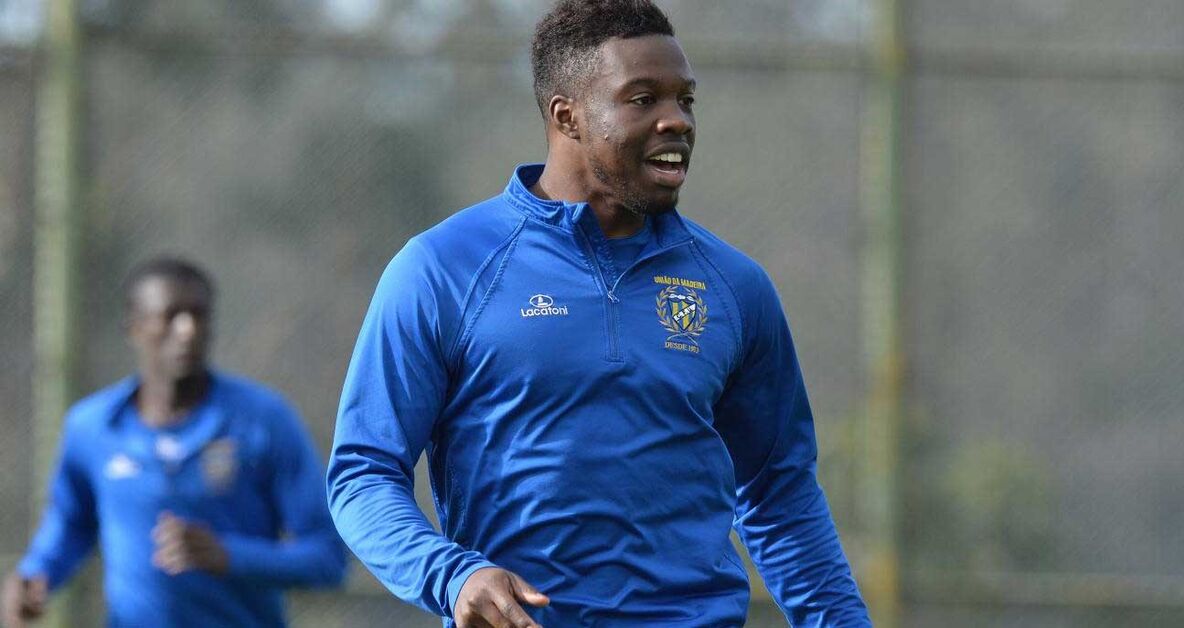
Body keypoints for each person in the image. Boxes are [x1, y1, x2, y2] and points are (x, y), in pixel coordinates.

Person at [327, 1, 872, 626]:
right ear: (568, 116)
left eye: (685, 100)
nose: (677, 120)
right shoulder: (443, 268)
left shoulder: (735, 287)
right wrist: (453, 576)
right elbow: (363, 474)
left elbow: (780, 494)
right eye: (643, 99)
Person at [4, 258, 346, 627]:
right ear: (134, 327)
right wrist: (36, 574)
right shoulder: (92, 427)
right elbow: (71, 524)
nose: (187, 330)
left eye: (199, 315)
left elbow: (328, 557)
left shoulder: (263, 421)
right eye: (170, 316)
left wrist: (230, 555)